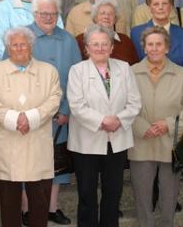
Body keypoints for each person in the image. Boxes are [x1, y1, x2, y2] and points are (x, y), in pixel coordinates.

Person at [0, 26, 62, 227]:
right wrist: (15, 119)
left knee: (40, 202)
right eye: (14, 45)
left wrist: (32, 118)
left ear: (31, 46)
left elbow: (54, 99)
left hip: (37, 143)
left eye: (23, 44)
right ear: (8, 48)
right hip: (8, 143)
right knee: (9, 205)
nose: (19, 48)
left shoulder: (48, 71)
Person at [16, 0, 82, 225]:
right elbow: (11, 76)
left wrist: (65, 110)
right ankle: (27, 209)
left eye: (53, 13)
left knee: (58, 161)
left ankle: (52, 208)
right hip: (30, 115)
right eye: (43, 13)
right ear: (34, 14)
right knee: (29, 162)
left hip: (61, 114)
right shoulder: (22, 37)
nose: (48, 17)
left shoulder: (68, 40)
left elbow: (76, 77)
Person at [67, 24, 141, 227]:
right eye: (95, 44)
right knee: (87, 194)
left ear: (111, 47)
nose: (100, 48)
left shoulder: (124, 68)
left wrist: (119, 120)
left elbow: (134, 102)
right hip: (86, 142)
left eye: (104, 44)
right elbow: (76, 105)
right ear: (86, 48)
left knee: (113, 193)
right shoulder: (77, 71)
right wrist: (102, 121)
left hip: (116, 141)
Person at [130, 26, 183, 227]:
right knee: (142, 198)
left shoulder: (182, 74)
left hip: (171, 145)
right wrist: (141, 127)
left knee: (169, 198)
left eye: (159, 44)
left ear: (167, 47)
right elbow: (122, 105)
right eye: (150, 44)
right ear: (143, 47)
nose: (154, 48)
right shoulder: (130, 73)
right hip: (141, 142)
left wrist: (168, 125)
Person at [130, 0, 183, 75]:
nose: (160, 7)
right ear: (149, 8)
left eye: (164, 4)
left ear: (171, 7)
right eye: (156, 4)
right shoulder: (136, 33)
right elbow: (135, 65)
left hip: (177, 85)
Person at [75, 0, 139, 65]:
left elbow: (135, 67)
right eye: (102, 13)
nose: (106, 16)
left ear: (115, 19)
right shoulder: (81, 40)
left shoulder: (126, 41)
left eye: (110, 14)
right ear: (95, 17)